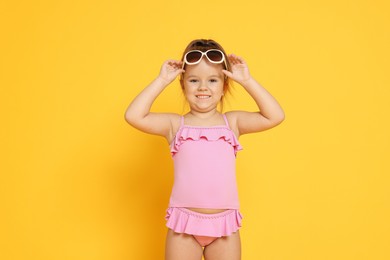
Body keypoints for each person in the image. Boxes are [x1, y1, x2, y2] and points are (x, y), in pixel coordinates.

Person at [124, 39, 285, 260]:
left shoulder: (233, 123)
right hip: (184, 226)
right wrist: (161, 81)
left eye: (212, 80)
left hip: (224, 227)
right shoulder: (175, 125)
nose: (203, 87)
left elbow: (275, 116)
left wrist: (247, 81)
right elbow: (134, 115)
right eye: (193, 80)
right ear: (182, 84)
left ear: (224, 86)